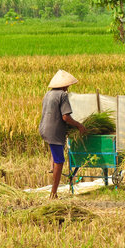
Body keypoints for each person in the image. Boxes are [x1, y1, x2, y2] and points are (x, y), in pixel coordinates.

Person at [38, 70, 87, 199]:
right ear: (64, 85)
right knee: (59, 162)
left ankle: (52, 169)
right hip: (54, 131)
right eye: (68, 85)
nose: (68, 88)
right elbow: (65, 117)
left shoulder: (48, 94)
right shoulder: (63, 95)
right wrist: (79, 125)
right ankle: (53, 194)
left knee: (56, 158)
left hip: (44, 128)